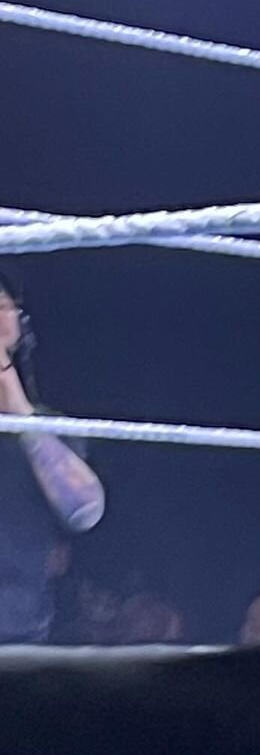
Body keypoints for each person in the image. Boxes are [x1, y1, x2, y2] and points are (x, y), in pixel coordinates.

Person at [0, 269, 105, 642]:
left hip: (16, 635)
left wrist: (13, 396)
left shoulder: (51, 428)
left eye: (1, 306)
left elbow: (85, 511)